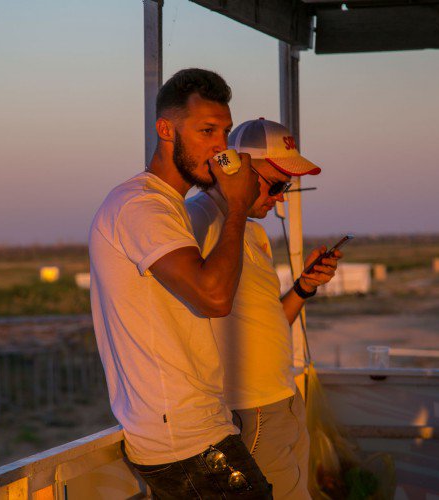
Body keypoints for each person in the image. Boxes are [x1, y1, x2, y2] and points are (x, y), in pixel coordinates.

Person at [88, 69, 272, 499]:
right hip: (186, 441)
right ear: (166, 130)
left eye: (225, 132)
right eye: (207, 131)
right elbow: (214, 297)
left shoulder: (167, 206)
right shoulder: (141, 205)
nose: (221, 146)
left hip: (197, 430)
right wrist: (238, 206)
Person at [187, 118, 341, 499]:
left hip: (282, 401)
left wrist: (303, 287)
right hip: (250, 410)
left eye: (286, 187)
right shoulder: (200, 219)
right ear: (239, 169)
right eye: (275, 185)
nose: (280, 198)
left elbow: (269, 322)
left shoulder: (252, 232)